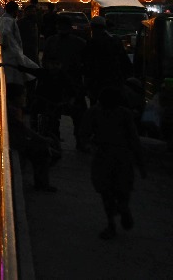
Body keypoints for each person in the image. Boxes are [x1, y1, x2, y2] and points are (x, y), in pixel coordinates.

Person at [80, 85, 146, 239]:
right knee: (122, 188)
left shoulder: (94, 112)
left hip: (104, 156)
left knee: (106, 191)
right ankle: (122, 209)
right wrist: (141, 164)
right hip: (122, 156)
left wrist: (88, 146)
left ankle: (112, 223)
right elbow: (134, 140)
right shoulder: (124, 114)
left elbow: (84, 134)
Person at [39, 14, 88, 147]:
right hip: (68, 85)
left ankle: (60, 141)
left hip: (62, 85)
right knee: (73, 116)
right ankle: (78, 141)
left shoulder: (52, 41)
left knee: (59, 117)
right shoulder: (79, 43)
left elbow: (45, 62)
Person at [84, 16, 131, 105]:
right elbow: (124, 61)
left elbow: (87, 65)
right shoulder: (115, 41)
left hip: (98, 82)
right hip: (113, 80)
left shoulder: (91, 43)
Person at [0, 1, 40, 91]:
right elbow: (5, 33)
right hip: (18, 53)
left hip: (21, 52)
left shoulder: (5, 19)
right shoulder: (11, 21)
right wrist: (6, 44)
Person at [18, 0, 41, 65]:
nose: (33, 13)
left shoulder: (35, 22)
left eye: (34, 11)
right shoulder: (22, 22)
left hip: (33, 48)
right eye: (31, 11)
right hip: (25, 49)